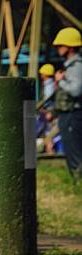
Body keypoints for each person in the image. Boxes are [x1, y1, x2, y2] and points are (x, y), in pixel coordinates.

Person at [52, 27, 82, 179]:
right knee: (70, 149)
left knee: (75, 151)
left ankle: (78, 181)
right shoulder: (70, 65)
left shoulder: (76, 66)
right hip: (67, 114)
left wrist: (60, 81)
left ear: (70, 47)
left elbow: (76, 90)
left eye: (60, 45)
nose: (58, 48)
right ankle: (75, 180)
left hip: (73, 114)